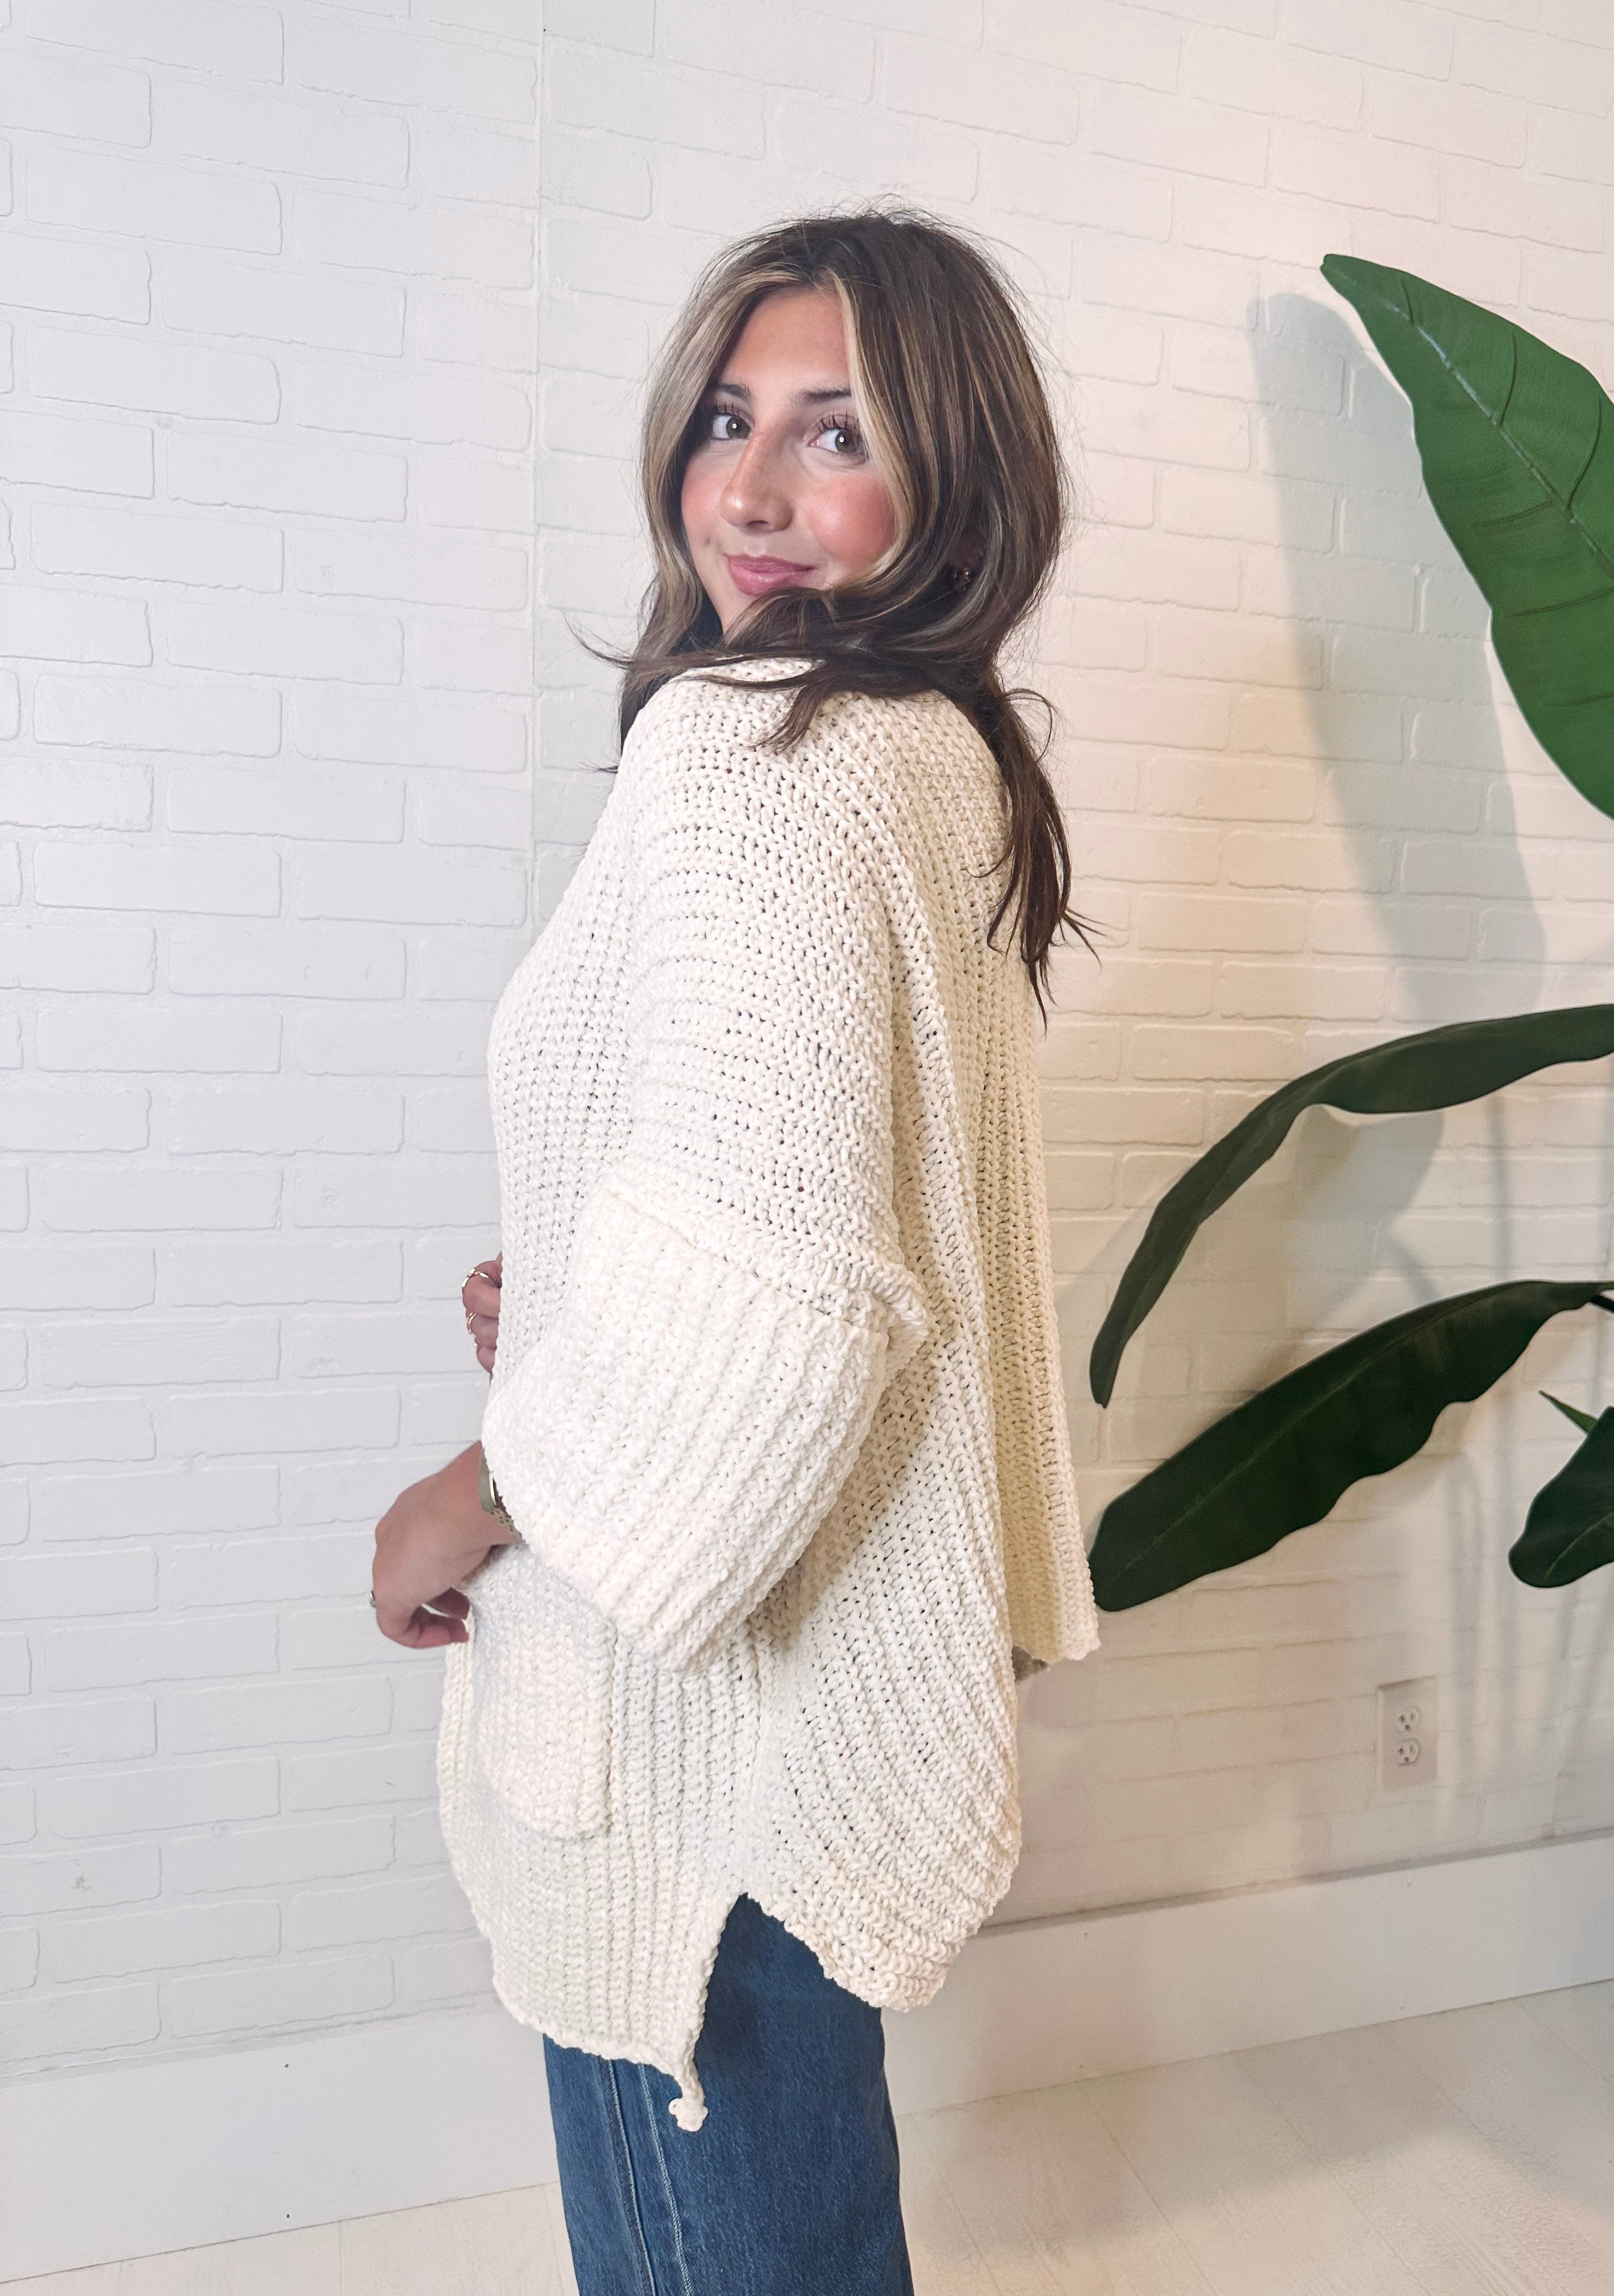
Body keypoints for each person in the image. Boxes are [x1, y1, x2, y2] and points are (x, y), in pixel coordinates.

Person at [370, 205, 1102, 2296]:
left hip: (694, 1689)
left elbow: (776, 1298)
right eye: (724, 419)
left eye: (837, 432)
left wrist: (466, 1500)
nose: (751, 492)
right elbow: (845, 1191)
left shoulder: (754, 746)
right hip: (832, 1639)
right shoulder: (941, 756)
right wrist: (578, 1281)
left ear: (957, 476)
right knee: (801, 2206)